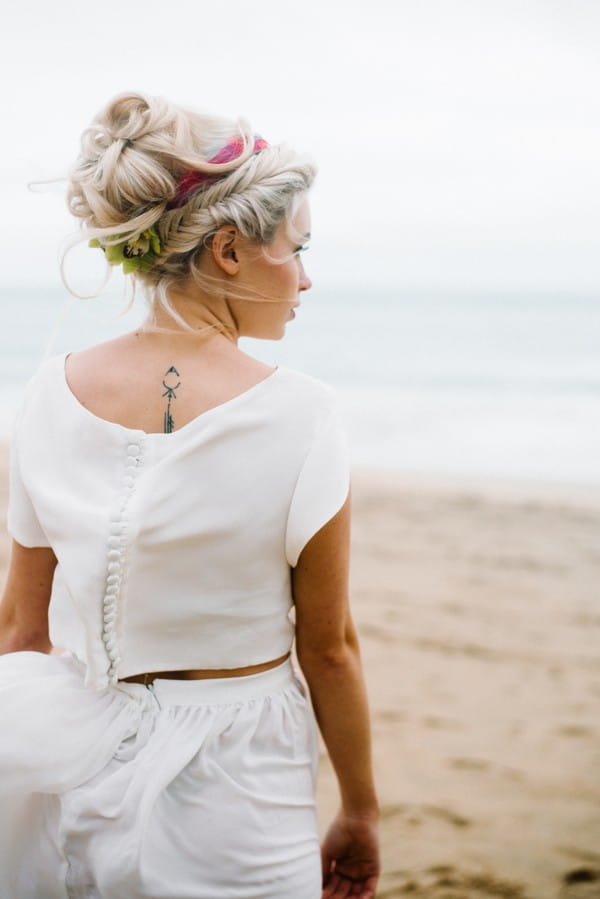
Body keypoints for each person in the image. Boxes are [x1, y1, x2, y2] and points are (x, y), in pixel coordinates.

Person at [0, 91, 380, 898]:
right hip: (236, 788)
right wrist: (361, 810)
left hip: (69, 768)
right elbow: (330, 647)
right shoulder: (303, 414)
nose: (307, 279)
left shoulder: (46, 393)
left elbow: (19, 629)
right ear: (231, 250)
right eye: (297, 248)